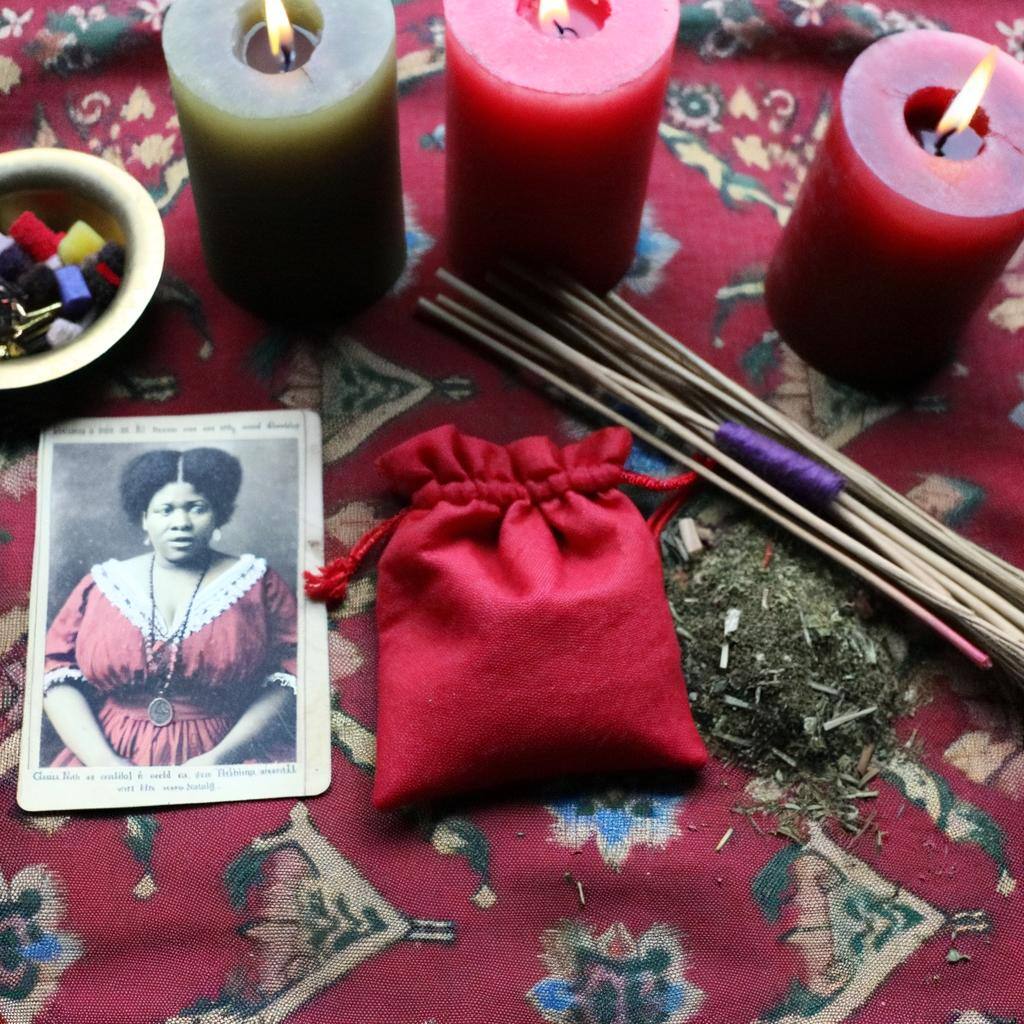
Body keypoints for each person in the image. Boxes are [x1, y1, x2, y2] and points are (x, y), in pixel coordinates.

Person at [43, 447, 298, 768]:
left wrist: (222, 756)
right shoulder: (102, 584)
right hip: (105, 752)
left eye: (196, 508)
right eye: (165, 510)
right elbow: (54, 674)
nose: (181, 522)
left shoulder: (256, 582)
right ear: (144, 518)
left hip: (224, 752)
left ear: (218, 513)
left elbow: (292, 673)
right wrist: (103, 762)